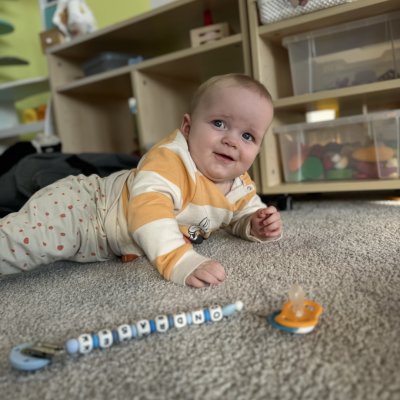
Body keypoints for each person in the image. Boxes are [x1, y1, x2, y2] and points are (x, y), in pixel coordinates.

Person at [0, 73, 282, 287]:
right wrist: (179, 260)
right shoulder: (171, 160)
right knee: (19, 245)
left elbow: (241, 213)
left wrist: (256, 224)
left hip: (106, 240)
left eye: (248, 136)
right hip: (86, 210)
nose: (232, 140)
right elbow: (149, 210)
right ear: (187, 127)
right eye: (219, 123)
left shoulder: (239, 183)